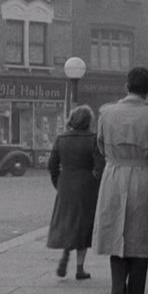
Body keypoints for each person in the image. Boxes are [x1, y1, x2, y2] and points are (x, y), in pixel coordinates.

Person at [93, 67, 148, 294]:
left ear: (127, 86)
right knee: (140, 242)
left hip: (114, 176)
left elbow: (101, 145)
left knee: (117, 237)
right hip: (145, 177)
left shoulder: (106, 113)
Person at [47, 105, 104, 280]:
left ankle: (66, 251)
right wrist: (95, 182)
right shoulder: (93, 139)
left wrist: (59, 182)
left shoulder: (61, 138)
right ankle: (80, 267)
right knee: (83, 224)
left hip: (66, 183)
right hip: (86, 185)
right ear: (89, 121)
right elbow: (100, 167)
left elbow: (51, 164)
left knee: (67, 220)